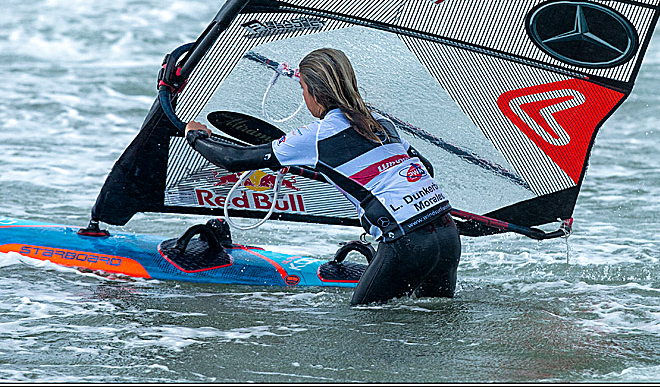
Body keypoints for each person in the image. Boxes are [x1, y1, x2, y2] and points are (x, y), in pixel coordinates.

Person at [184, 47, 461, 305]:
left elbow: (234, 159)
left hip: (407, 241)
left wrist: (195, 136)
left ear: (315, 93)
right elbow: (425, 168)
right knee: (434, 315)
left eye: (303, 89)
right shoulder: (381, 123)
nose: (304, 97)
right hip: (447, 231)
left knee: (366, 322)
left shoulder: (316, 136)